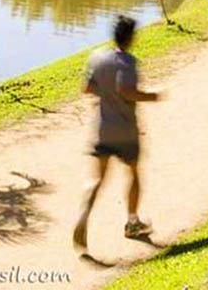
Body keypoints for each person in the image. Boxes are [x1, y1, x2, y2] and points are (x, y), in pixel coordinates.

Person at [73, 15, 162, 251]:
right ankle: (132, 222)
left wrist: (106, 94)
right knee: (133, 173)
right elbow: (126, 90)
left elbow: (87, 87)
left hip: (102, 129)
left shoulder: (98, 57)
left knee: (97, 179)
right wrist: (152, 96)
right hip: (125, 130)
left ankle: (84, 214)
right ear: (131, 38)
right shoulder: (128, 62)